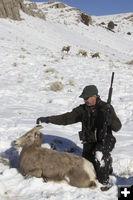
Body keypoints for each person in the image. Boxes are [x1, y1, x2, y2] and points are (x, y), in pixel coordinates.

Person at [36, 85, 122, 187]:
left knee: (99, 154)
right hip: (90, 142)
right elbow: (66, 118)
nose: (85, 100)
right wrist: (49, 119)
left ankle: (105, 183)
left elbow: (117, 127)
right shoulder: (82, 110)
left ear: (94, 96)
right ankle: (107, 163)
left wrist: (109, 116)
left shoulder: (106, 108)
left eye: (87, 98)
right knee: (87, 168)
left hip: (106, 140)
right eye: (84, 98)